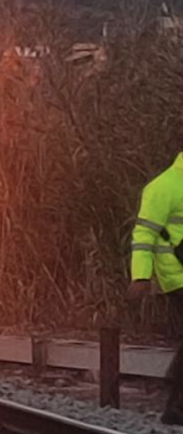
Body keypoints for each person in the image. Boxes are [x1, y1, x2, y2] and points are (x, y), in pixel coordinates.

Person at [129, 152, 183, 424]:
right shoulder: (163, 187)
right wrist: (141, 276)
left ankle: (175, 405)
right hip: (177, 275)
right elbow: (143, 235)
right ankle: (176, 408)